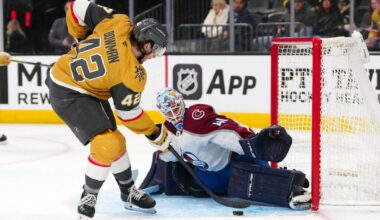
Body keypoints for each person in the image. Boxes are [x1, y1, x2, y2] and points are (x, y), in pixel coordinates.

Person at [44, 0, 170, 219]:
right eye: (155, 51)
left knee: (116, 141)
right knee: (107, 142)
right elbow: (129, 115)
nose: (153, 57)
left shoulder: (119, 22)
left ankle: (128, 191)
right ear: (147, 45)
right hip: (67, 90)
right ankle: (89, 195)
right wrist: (155, 132)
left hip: (87, 87)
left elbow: (77, 7)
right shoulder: (131, 74)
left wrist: (81, 38)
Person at [140, 88, 311, 210]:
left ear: (182, 103)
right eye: (168, 112)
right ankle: (273, 178)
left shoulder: (196, 116)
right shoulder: (168, 130)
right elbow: (168, 156)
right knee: (199, 186)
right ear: (161, 112)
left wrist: (250, 141)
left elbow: (227, 129)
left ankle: (290, 185)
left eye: (176, 108)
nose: (174, 114)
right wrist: (152, 181)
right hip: (211, 175)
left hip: (236, 159)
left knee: (248, 182)